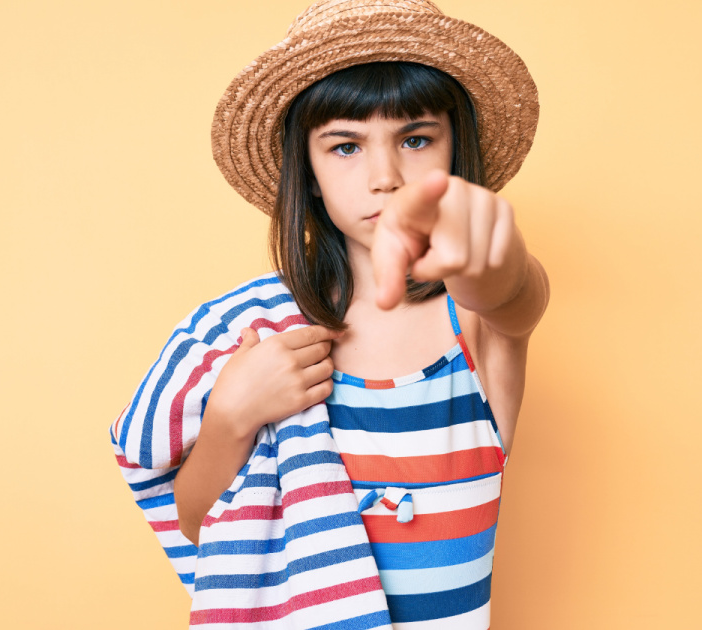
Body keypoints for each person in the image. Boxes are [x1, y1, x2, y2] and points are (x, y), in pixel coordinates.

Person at [111, 1, 547, 627]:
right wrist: (233, 417)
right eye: (345, 146)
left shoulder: (473, 321)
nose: (385, 175)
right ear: (308, 172)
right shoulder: (252, 333)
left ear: (456, 152)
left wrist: (493, 263)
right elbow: (198, 524)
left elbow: (517, 298)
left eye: (416, 139)